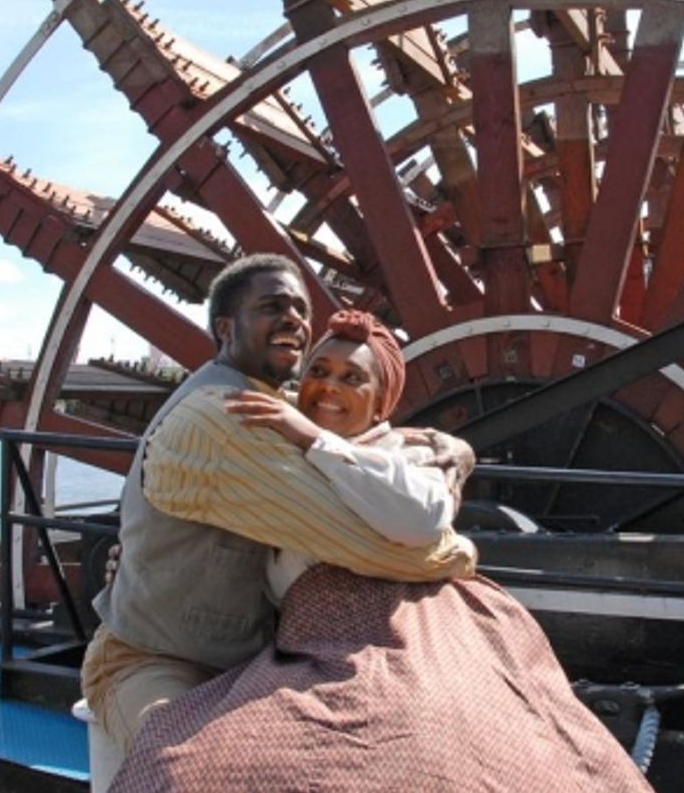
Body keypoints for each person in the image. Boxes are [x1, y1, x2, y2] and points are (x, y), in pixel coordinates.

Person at [109, 311, 652, 791]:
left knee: (442, 752)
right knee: (208, 764)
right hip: (315, 649)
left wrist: (315, 439)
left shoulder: (407, 454)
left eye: (352, 378)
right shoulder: (272, 467)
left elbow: (419, 521)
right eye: (318, 372)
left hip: (421, 635)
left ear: (380, 401)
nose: (327, 388)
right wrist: (132, 563)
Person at [83, 254, 475, 752]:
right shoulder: (222, 419)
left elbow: (350, 430)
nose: (294, 320)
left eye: (300, 309)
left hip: (252, 662)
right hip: (158, 661)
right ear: (226, 327)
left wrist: (453, 452)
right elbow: (374, 547)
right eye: (272, 306)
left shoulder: (265, 400)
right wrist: (458, 552)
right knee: (182, 768)